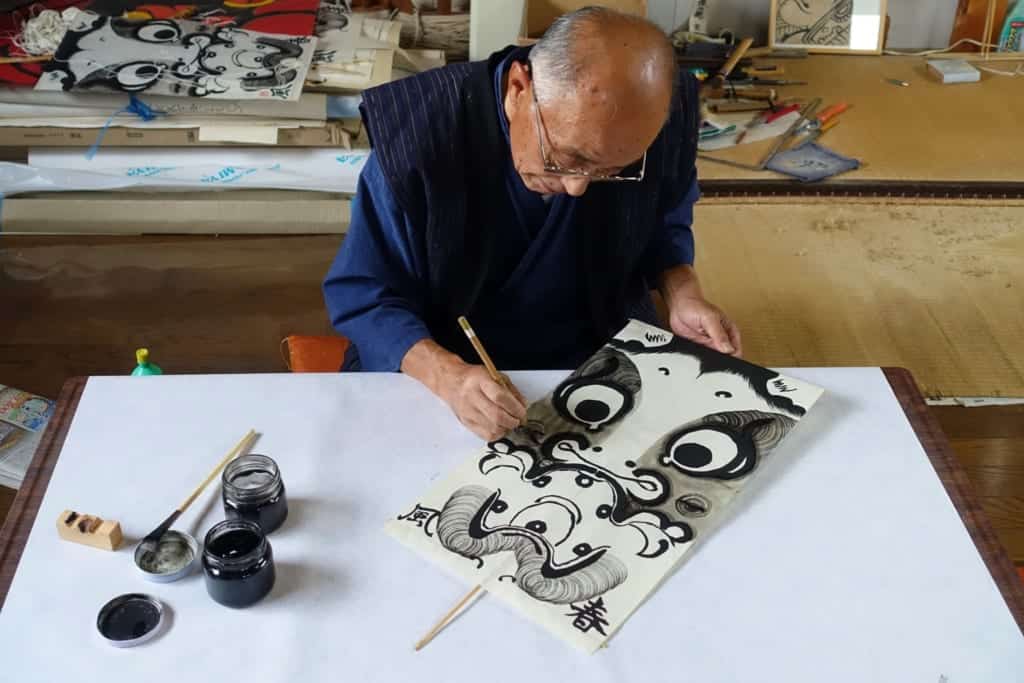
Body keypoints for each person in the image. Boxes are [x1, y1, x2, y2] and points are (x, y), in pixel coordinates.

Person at [323, 7, 741, 440]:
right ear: (519, 89)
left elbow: (663, 218)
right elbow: (365, 296)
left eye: (613, 169)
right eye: (569, 157)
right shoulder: (421, 135)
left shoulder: (658, 118)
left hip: (603, 339)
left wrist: (683, 292)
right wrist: (447, 377)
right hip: (451, 358)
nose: (579, 187)